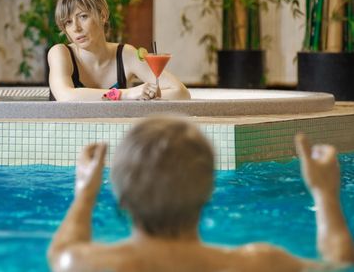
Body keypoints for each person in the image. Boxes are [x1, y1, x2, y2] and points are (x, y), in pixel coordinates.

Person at [48, 116, 354, 271]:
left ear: (122, 196)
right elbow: (339, 264)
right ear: (208, 191)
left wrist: (85, 194)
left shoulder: (87, 263)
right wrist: (324, 194)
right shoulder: (257, 263)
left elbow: (60, 250)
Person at [48, 0, 190, 101]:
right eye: (68, 22)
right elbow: (65, 96)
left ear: (102, 15)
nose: (76, 28)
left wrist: (147, 95)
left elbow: (181, 93)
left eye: (83, 16)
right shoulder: (60, 53)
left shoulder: (125, 55)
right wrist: (126, 94)